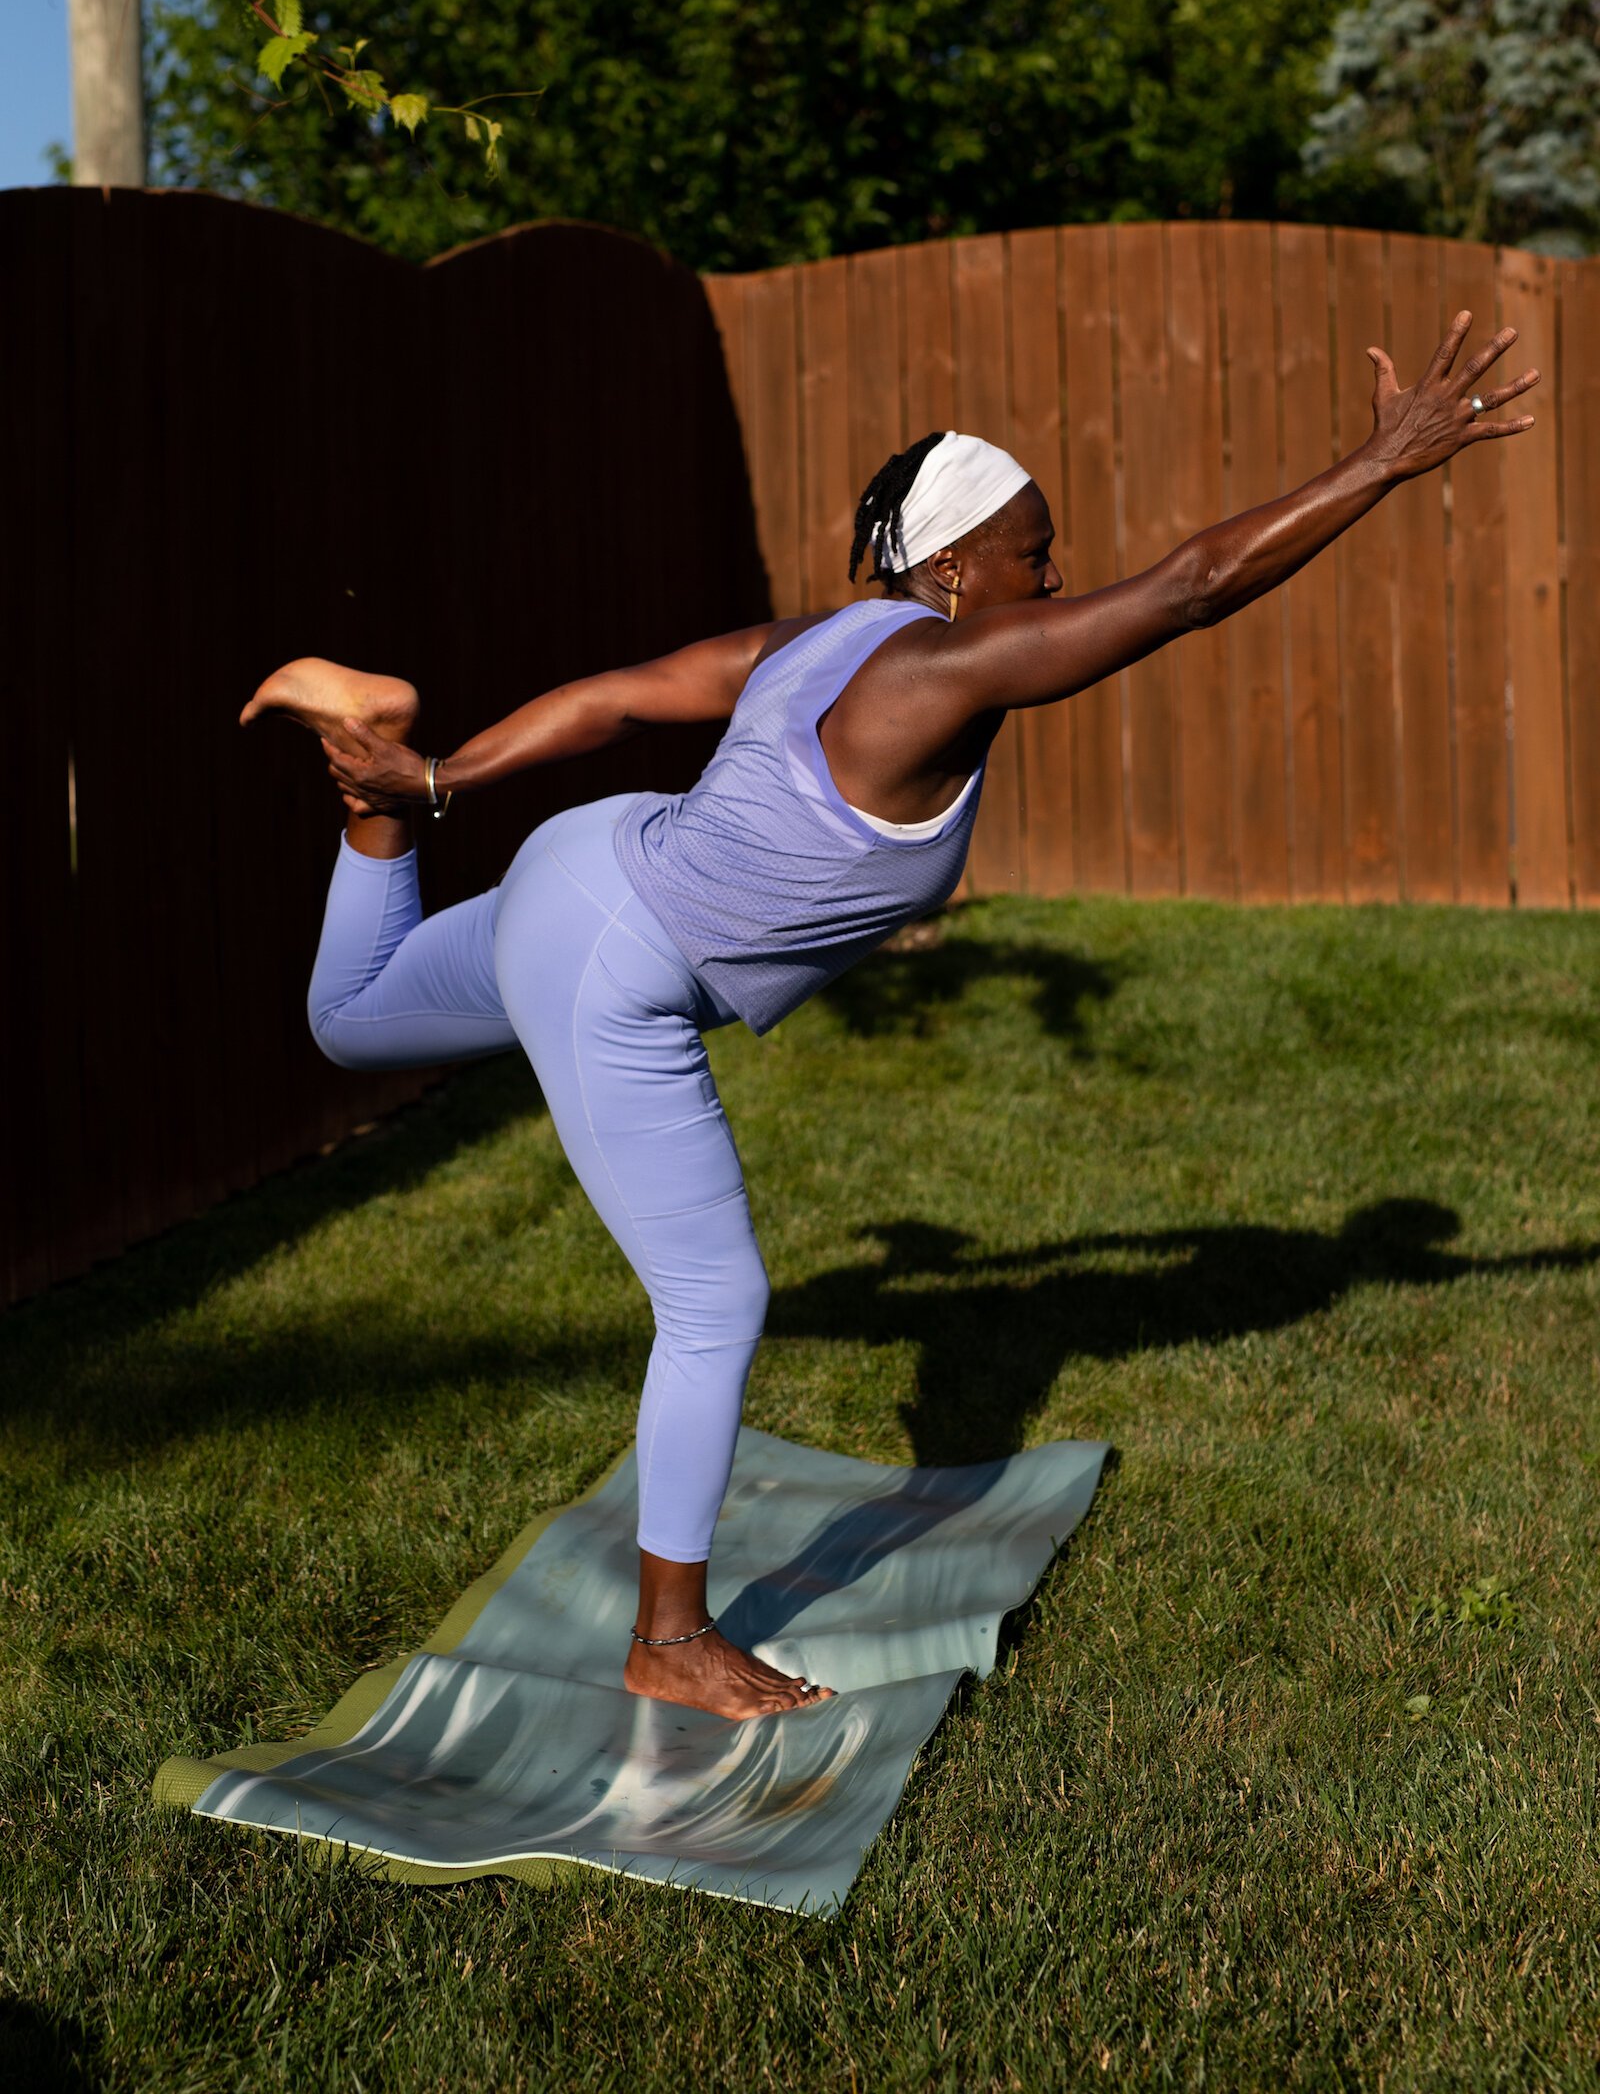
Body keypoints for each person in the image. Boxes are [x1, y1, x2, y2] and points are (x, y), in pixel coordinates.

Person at [242, 312, 1537, 1723]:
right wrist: (1378, 464)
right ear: (953, 569)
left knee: (353, 1021)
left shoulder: (826, 637)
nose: (1056, 577)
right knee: (717, 1298)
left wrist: (438, 780)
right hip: (621, 955)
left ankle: (372, 796)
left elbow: (622, 698)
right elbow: (1192, 587)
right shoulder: (935, 666)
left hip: (592, 865)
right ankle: (667, 1640)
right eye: (1034, 555)